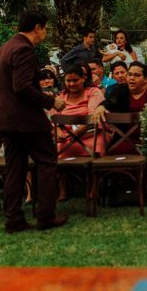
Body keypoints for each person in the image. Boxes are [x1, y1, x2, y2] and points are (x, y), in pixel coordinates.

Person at [0, 10, 68, 233]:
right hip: (25, 119)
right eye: (45, 28)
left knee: (14, 168)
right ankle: (46, 216)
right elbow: (22, 87)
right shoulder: (24, 49)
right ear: (37, 27)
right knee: (47, 161)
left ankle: (13, 219)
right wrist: (51, 102)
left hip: (6, 119)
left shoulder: (4, 48)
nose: (45, 32)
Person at [94, 62, 147, 196]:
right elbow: (108, 103)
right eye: (129, 75)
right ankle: (122, 188)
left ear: (146, 79)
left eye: (136, 75)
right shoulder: (121, 90)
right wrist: (101, 107)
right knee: (114, 150)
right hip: (124, 137)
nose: (131, 78)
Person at [51, 65, 105, 201]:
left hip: (91, 133)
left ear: (83, 79)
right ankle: (62, 189)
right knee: (58, 147)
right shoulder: (61, 96)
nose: (71, 84)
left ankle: (94, 187)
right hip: (67, 136)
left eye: (75, 80)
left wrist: (81, 129)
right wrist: (58, 131)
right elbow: (53, 117)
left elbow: (93, 115)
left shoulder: (93, 92)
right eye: (68, 81)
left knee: (97, 145)